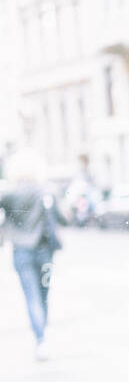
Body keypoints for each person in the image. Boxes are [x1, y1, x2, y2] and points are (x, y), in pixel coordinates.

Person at [1, 146, 67, 361]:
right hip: (44, 252)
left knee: (31, 296)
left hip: (21, 253)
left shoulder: (8, 194)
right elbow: (63, 218)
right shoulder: (48, 191)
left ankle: (40, 339)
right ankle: (43, 336)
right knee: (44, 294)